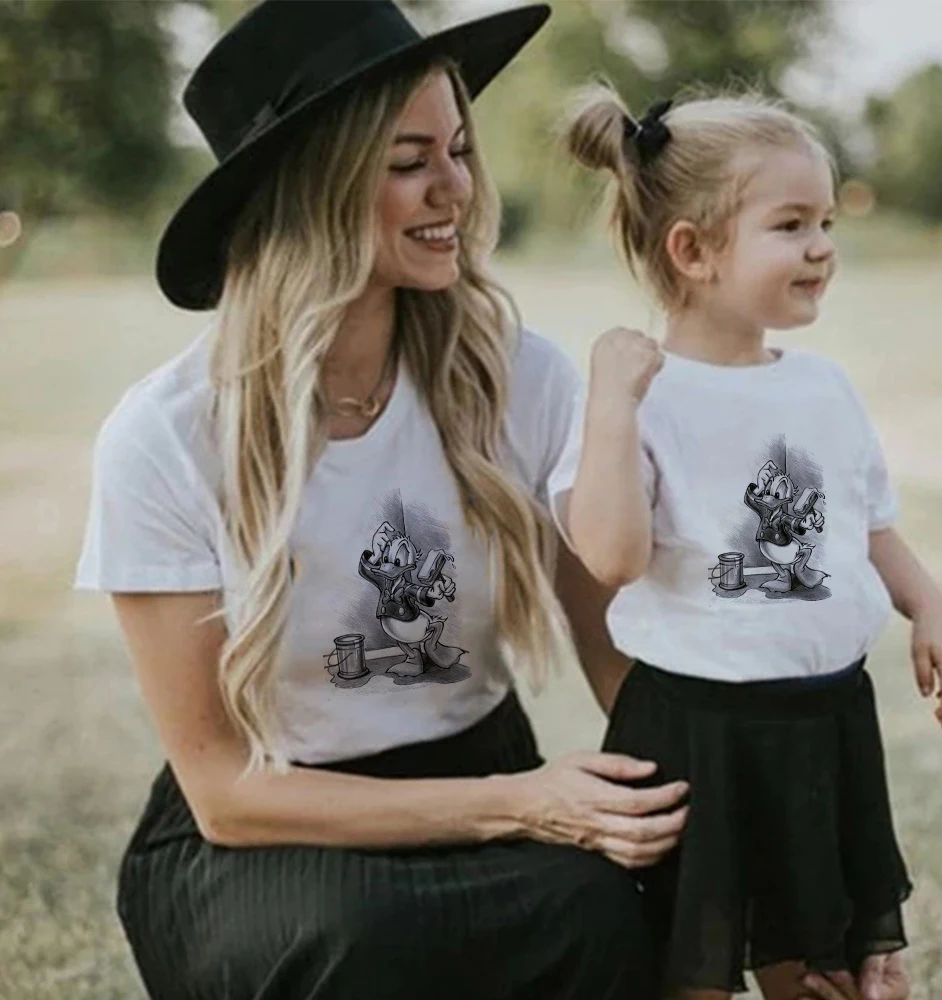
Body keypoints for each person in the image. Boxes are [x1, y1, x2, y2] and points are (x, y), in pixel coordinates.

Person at [73, 4, 691, 999]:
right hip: (271, 826)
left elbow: (620, 649)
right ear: (311, 187)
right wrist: (516, 806)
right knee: (357, 939)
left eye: (459, 149)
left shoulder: (518, 378)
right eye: (409, 161)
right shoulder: (167, 435)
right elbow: (224, 793)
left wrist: (733, 810)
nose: (456, 187)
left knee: (613, 906)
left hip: (480, 762)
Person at [550, 83, 942, 1000]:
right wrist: (614, 405)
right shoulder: (640, 398)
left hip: (822, 724)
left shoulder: (822, 388)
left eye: (826, 222)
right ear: (693, 250)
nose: (822, 245)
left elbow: (869, 525)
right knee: (692, 963)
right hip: (698, 735)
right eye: (790, 225)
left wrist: (931, 607)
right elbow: (612, 557)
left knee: (814, 961)